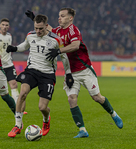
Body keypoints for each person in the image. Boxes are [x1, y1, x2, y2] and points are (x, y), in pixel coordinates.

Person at [26, 8, 123, 138]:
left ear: (70, 18)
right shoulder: (58, 31)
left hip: (84, 70)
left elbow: (75, 45)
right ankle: (82, 129)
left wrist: (59, 51)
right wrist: (34, 18)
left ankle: (113, 114)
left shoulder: (73, 30)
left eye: (62, 16)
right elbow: (47, 28)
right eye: (59, 16)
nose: (59, 18)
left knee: (97, 98)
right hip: (70, 72)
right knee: (72, 99)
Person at [6, 14, 73, 138]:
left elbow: (64, 57)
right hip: (31, 70)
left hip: (47, 74)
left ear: (47, 26)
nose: (38, 31)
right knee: (22, 94)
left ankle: (46, 120)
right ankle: (18, 125)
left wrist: (68, 74)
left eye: (41, 29)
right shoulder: (30, 35)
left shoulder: (56, 39)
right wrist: (15, 48)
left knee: (42, 107)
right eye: (36, 28)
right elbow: (24, 45)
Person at [0, 18, 27, 115]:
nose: (5, 27)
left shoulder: (10, 36)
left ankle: (18, 107)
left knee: (14, 84)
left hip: (9, 64)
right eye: (3, 25)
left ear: (8, 27)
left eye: (6, 25)